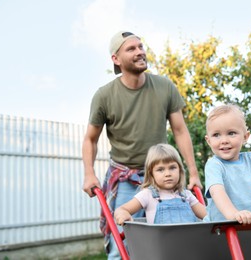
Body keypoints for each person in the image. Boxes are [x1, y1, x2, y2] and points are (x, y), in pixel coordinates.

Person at [81, 30, 202, 259]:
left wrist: (193, 172)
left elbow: (180, 130)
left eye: (140, 46)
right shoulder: (105, 96)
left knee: (172, 240)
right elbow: (90, 139)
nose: (140, 52)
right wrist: (89, 173)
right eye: (131, 49)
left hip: (161, 176)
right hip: (126, 176)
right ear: (116, 59)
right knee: (121, 246)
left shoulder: (164, 86)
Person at [114, 144, 206, 225]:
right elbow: (121, 209)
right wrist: (123, 214)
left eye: (172, 168)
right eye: (160, 170)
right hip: (161, 243)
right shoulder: (148, 195)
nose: (168, 174)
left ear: (180, 170)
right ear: (151, 174)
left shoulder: (186, 196)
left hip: (189, 243)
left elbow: (209, 216)